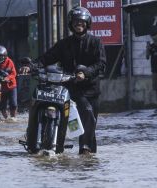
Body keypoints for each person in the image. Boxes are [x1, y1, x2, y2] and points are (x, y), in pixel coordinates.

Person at [37, 7, 106, 154]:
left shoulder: (95, 42)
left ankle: (86, 150)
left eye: (81, 22)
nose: (78, 24)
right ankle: (48, 141)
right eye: (75, 22)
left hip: (90, 90)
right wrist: (31, 66)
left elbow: (101, 64)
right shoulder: (64, 44)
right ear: (71, 24)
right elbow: (47, 57)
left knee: (88, 118)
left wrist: (85, 72)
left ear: (87, 23)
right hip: (68, 87)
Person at [146, 33, 157, 106]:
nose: (154, 38)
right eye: (152, 37)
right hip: (154, 70)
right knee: (155, 88)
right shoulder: (151, 46)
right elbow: (147, 57)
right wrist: (147, 48)